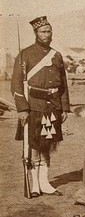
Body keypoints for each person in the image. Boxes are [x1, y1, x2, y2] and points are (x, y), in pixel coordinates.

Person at [12, 16, 70, 197]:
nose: (47, 34)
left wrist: (64, 107)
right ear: (35, 33)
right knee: (34, 146)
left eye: (49, 31)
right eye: (43, 31)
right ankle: (34, 184)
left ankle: (45, 183)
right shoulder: (25, 54)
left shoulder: (57, 55)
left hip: (52, 107)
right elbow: (16, 85)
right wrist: (22, 109)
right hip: (33, 106)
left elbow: (63, 85)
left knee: (47, 144)